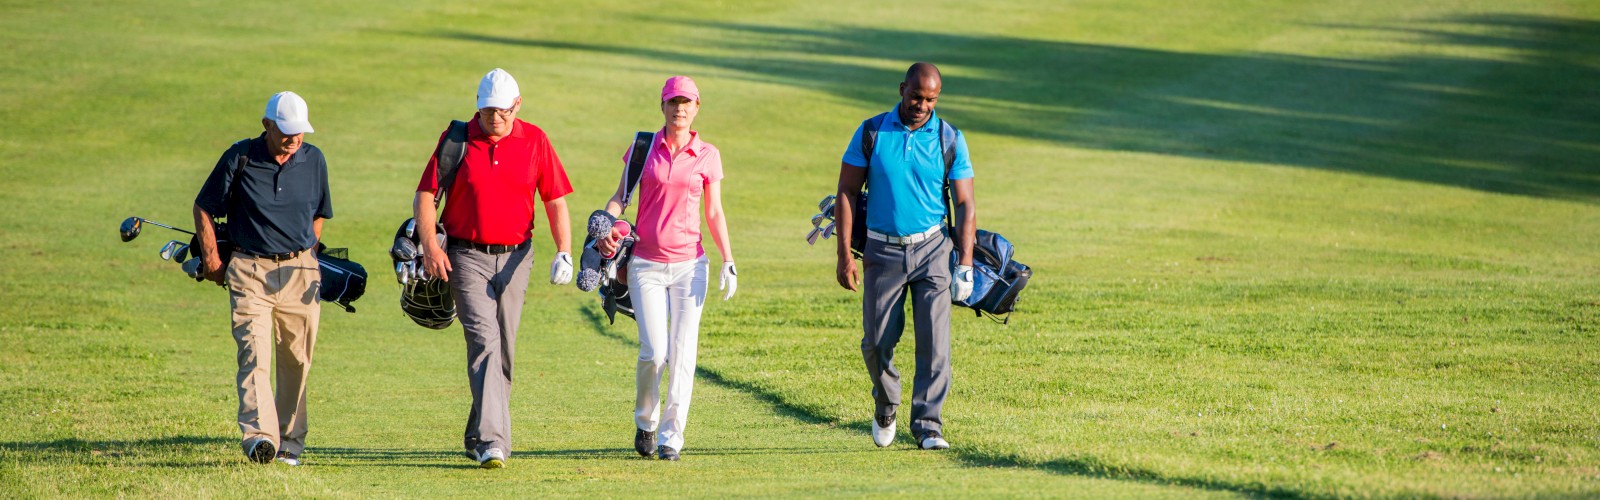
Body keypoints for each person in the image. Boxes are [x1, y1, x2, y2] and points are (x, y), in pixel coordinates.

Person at [413, 68, 575, 469]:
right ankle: (492, 442)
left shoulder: (535, 139)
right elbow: (426, 193)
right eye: (487, 113)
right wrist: (431, 245)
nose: (495, 120)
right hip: (466, 256)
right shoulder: (458, 138)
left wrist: (564, 251)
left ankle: (476, 433)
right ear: (478, 107)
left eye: (502, 112)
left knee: (504, 349)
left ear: (517, 105)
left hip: (517, 257)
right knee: (484, 341)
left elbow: (554, 199)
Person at [833, 62, 976, 451]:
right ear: (902, 89)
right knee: (877, 342)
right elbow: (846, 191)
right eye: (916, 96)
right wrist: (845, 254)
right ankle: (886, 402)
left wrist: (964, 263)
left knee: (934, 343)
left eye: (930, 99)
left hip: (933, 249)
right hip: (882, 251)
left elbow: (964, 203)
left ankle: (928, 425)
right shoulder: (872, 132)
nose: (922, 105)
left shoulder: (949, 138)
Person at [594, 75, 736, 462]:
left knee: (683, 352)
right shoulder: (644, 147)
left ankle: (673, 435)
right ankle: (646, 422)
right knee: (654, 352)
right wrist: (605, 228)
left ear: (696, 107)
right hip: (646, 264)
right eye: (673, 102)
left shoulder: (708, 154)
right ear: (663, 106)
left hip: (691, 266)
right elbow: (619, 198)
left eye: (687, 102)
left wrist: (729, 259)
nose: (680, 109)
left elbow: (715, 211)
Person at [192, 91, 333, 467]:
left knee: (297, 360)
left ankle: (289, 442)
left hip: (301, 273)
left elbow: (319, 214)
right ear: (266, 125)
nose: (293, 138)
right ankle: (259, 438)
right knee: (254, 353)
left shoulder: (314, 159)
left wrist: (309, 256)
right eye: (286, 131)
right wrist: (211, 259)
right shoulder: (240, 156)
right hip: (249, 270)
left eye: (299, 131)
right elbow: (204, 206)